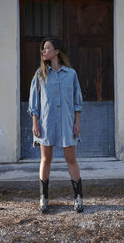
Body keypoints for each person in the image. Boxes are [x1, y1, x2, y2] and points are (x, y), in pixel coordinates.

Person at [27, 37, 84, 213]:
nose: (43, 51)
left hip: (67, 124)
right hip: (46, 124)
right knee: (46, 159)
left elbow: (77, 101)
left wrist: (76, 123)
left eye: (47, 48)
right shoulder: (40, 74)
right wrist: (35, 123)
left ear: (56, 51)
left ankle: (78, 198)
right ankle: (44, 198)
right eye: (42, 49)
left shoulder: (71, 74)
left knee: (71, 160)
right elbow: (34, 103)